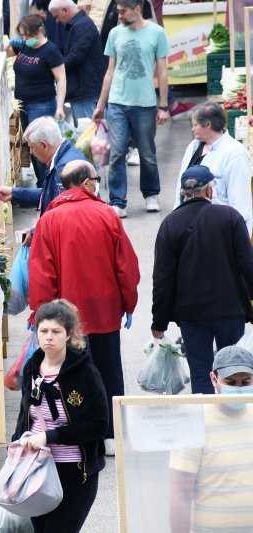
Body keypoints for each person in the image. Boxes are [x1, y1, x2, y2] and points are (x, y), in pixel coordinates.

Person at [29, 160, 140, 452]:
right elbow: (126, 266)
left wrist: (41, 314)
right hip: (105, 310)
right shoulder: (107, 215)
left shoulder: (49, 221)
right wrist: (129, 302)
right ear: (86, 183)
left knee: (72, 373)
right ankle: (113, 433)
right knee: (109, 369)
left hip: (67, 318)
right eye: (95, 177)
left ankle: (79, 432)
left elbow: (43, 273)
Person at [152, 165, 253, 395]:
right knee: (233, 370)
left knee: (200, 372)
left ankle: (206, 422)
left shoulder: (170, 224)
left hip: (191, 315)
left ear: (183, 193)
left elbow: (162, 278)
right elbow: (248, 265)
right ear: (209, 191)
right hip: (229, 310)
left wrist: (159, 322)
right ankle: (232, 418)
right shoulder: (230, 217)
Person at [12, 299, 108, 532]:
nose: (49, 337)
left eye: (56, 331)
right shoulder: (32, 369)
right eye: (43, 331)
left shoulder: (85, 373)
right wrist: (15, 448)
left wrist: (49, 436)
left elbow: (98, 425)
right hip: (35, 468)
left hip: (74, 472)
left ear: (68, 334)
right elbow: (25, 414)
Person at [92, 0, 170, 218]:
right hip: (117, 103)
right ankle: (117, 200)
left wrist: (163, 105)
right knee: (117, 152)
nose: (119, 15)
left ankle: (151, 193)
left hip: (145, 103)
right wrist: (101, 105)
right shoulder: (115, 34)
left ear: (138, 9)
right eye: (117, 11)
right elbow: (109, 72)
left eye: (123, 11)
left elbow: (163, 72)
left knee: (147, 152)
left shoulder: (156, 33)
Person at [169, 345, 253, 533]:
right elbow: (180, 495)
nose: (238, 389)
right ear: (214, 379)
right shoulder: (194, 424)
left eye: (245, 382)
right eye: (230, 382)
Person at [172, 101, 252, 235]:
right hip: (188, 228)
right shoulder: (193, 146)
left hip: (216, 232)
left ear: (208, 125)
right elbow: (179, 186)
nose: (192, 129)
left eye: (195, 125)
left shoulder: (234, 154)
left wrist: (238, 244)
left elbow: (240, 204)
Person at [7, 13, 67, 187]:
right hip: (23, 104)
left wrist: (60, 106)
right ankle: (42, 186)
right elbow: (4, 52)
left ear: (39, 30)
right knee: (32, 147)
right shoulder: (24, 46)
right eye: (22, 35)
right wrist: (12, 42)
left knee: (43, 148)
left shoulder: (50, 51)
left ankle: (49, 186)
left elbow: (61, 79)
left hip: (41, 105)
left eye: (28, 35)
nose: (25, 38)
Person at [0, 116, 87, 226]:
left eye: (32, 147)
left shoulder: (63, 170)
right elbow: (50, 195)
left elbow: (62, 219)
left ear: (44, 145)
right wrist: (14, 193)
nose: (31, 152)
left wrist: (35, 233)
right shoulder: (66, 154)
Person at [50, 0, 104, 126]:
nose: (57, 21)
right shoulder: (79, 24)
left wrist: (55, 68)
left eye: (57, 16)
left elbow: (76, 56)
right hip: (82, 90)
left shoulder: (82, 25)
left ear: (65, 10)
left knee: (88, 136)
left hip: (85, 92)